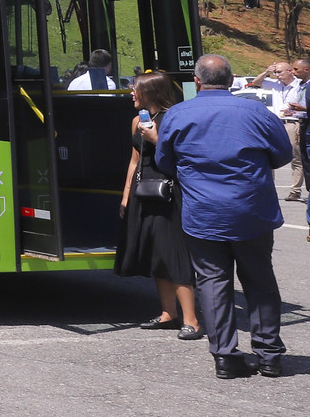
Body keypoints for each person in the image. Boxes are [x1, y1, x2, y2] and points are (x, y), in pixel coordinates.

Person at [153, 53, 294, 378]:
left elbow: (165, 161)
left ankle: (225, 357)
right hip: (252, 211)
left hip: (203, 213)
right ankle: (269, 355)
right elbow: (283, 154)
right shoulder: (256, 111)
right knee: (259, 280)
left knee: (213, 282)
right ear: (231, 81)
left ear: (197, 82)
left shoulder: (178, 114)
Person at [118, 73, 200, 339]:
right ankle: (168, 313)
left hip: (170, 192)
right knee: (156, 254)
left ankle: (192, 320)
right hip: (145, 192)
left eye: (136, 90)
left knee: (173, 253)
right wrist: (126, 195)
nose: (132, 94)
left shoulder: (174, 118)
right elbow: (134, 161)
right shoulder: (137, 121)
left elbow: (185, 158)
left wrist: (156, 139)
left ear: (150, 92)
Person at [281, 57, 310, 203]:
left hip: (306, 125)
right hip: (302, 123)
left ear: (307, 69)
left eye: (296, 69)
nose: (294, 72)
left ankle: (298, 190)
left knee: (302, 158)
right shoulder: (303, 86)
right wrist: (295, 112)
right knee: (304, 158)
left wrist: (303, 109)